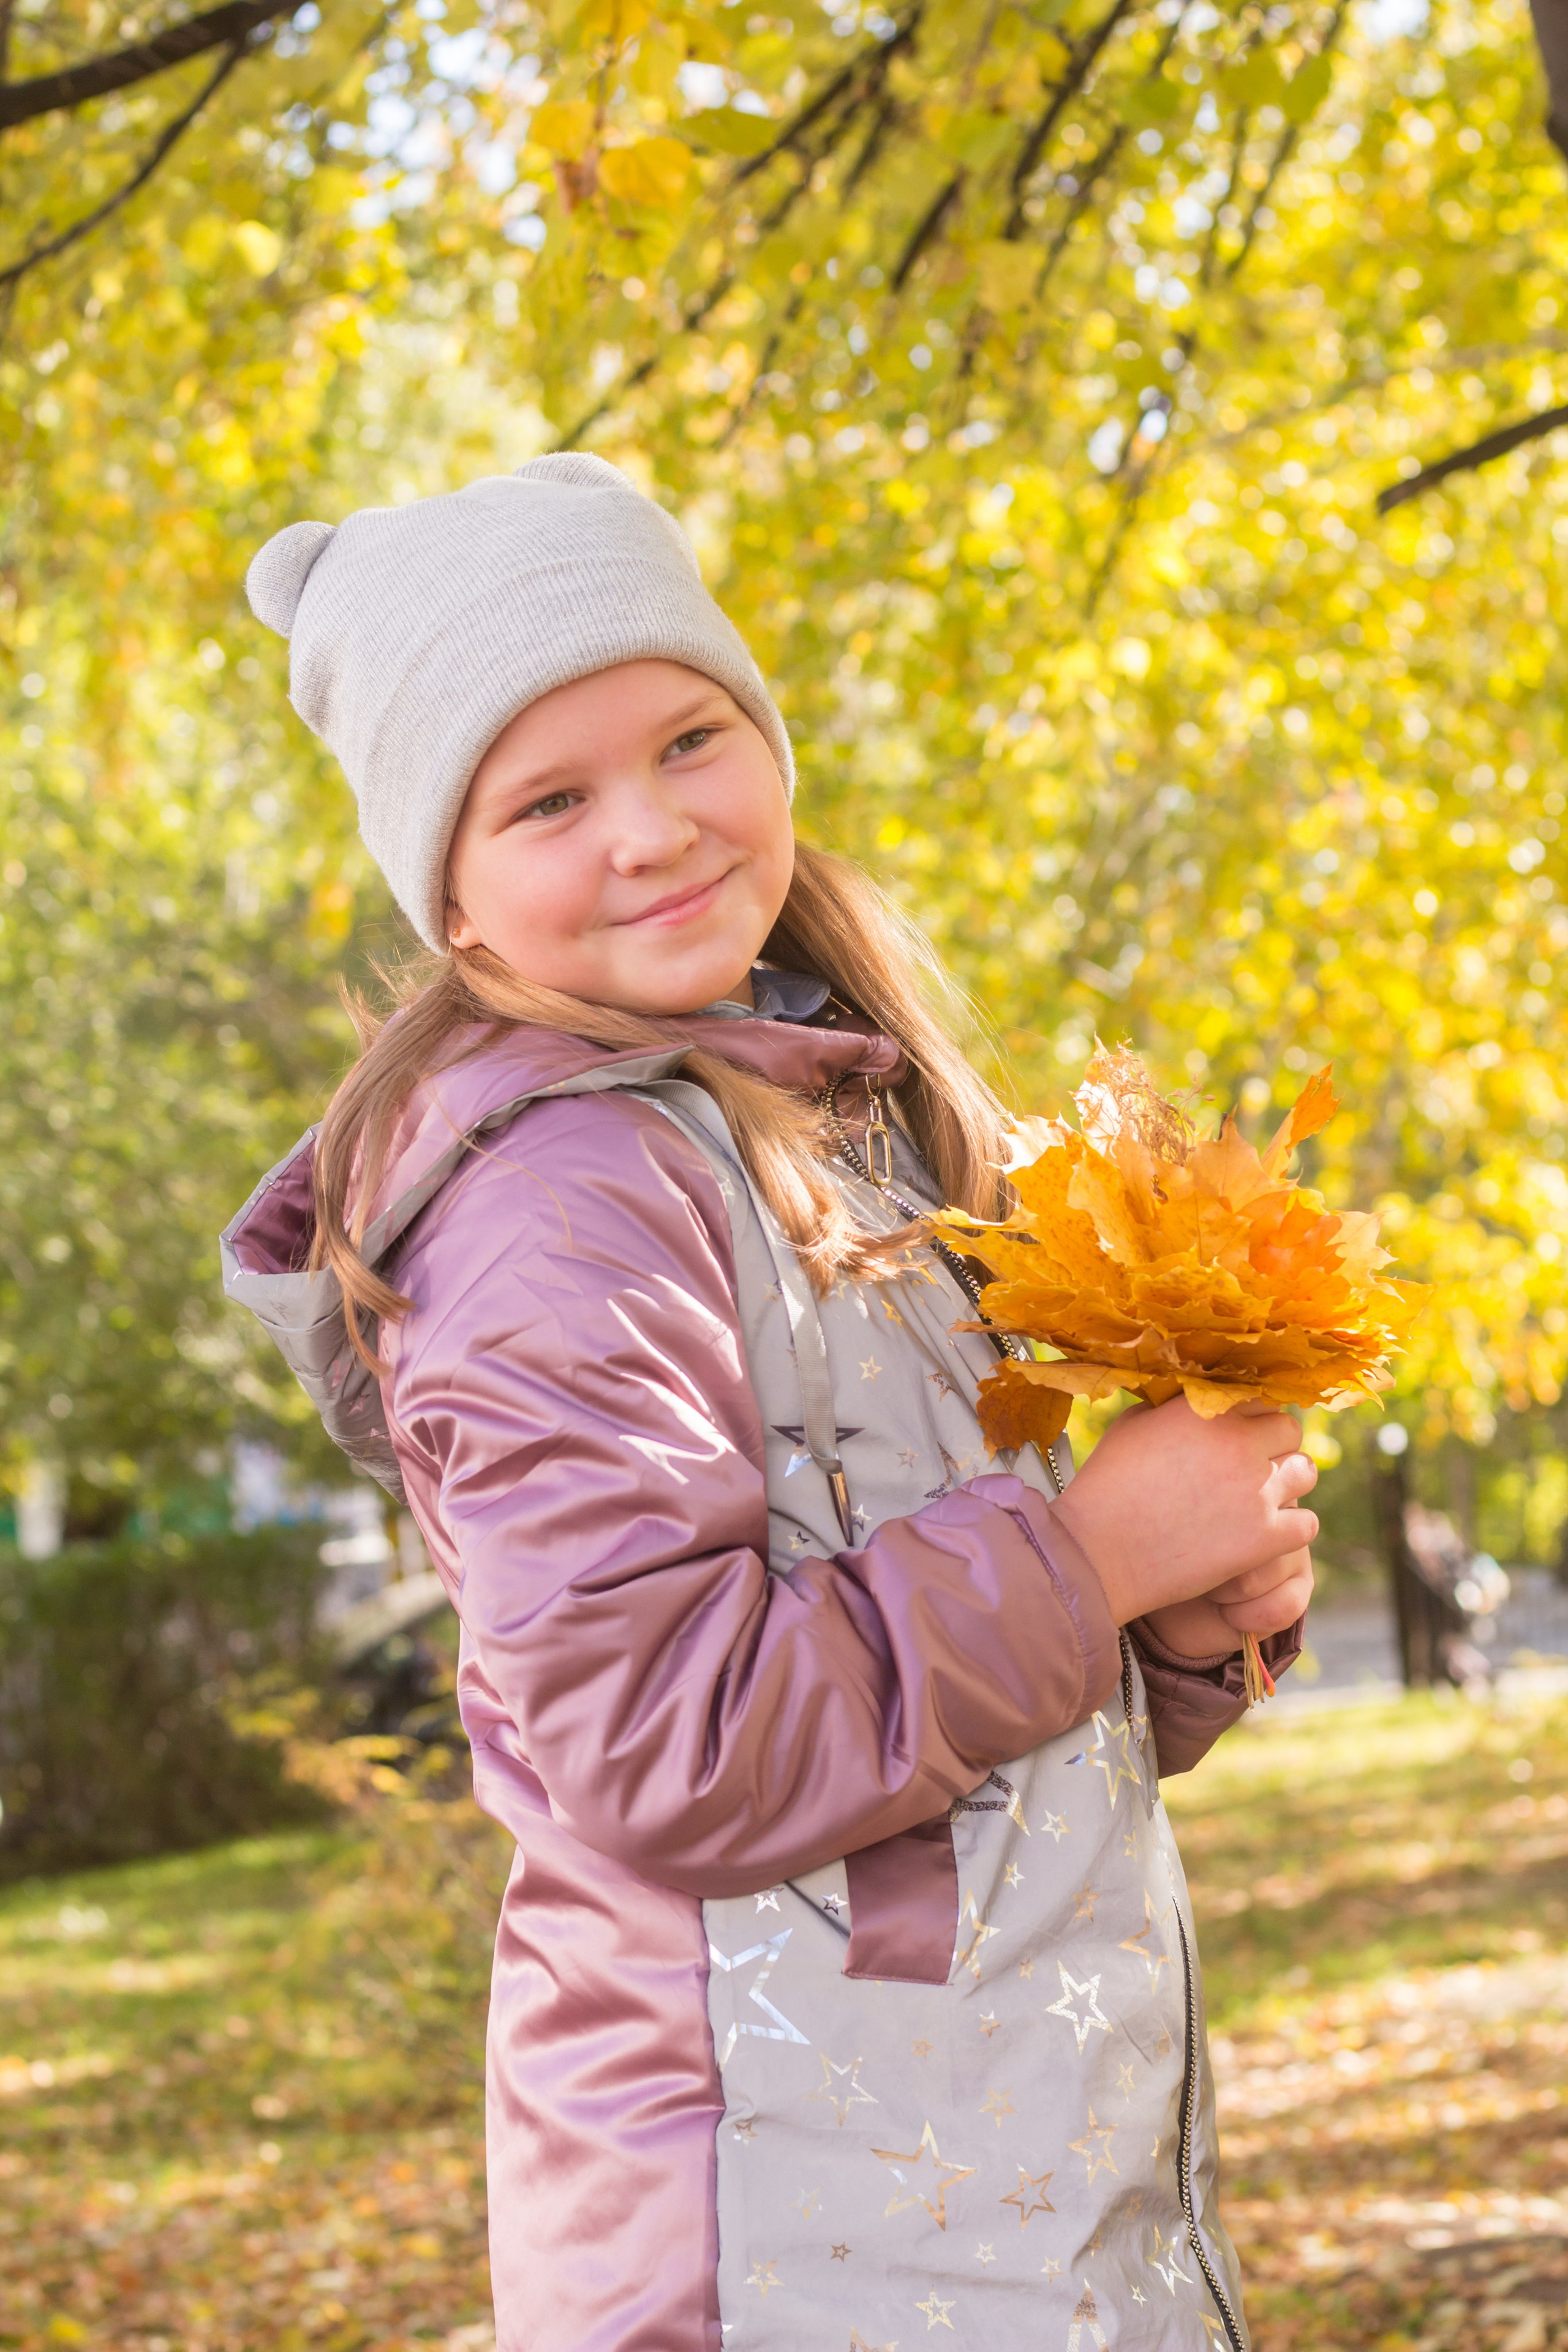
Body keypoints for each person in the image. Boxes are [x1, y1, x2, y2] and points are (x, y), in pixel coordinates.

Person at [222, 454, 1315, 2352]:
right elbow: (672, 1742)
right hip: (781, 2221)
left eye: (691, 739)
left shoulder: (850, 1119)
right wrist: (1087, 1554)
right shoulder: (561, 1205)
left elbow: (954, 1733)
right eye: (550, 799)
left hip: (1002, 2167)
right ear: (455, 898)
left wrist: (1176, 1623)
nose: (648, 831)